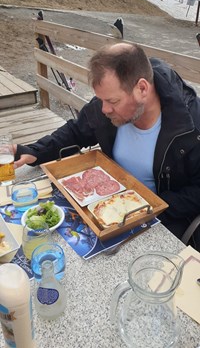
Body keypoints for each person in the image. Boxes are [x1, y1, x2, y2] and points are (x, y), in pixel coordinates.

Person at [14, 43, 200, 249]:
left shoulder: (191, 125)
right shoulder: (107, 105)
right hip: (104, 206)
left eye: (112, 101)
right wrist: (35, 151)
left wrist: (151, 206)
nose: (104, 109)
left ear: (142, 88)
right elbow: (76, 131)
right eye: (101, 99)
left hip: (160, 222)